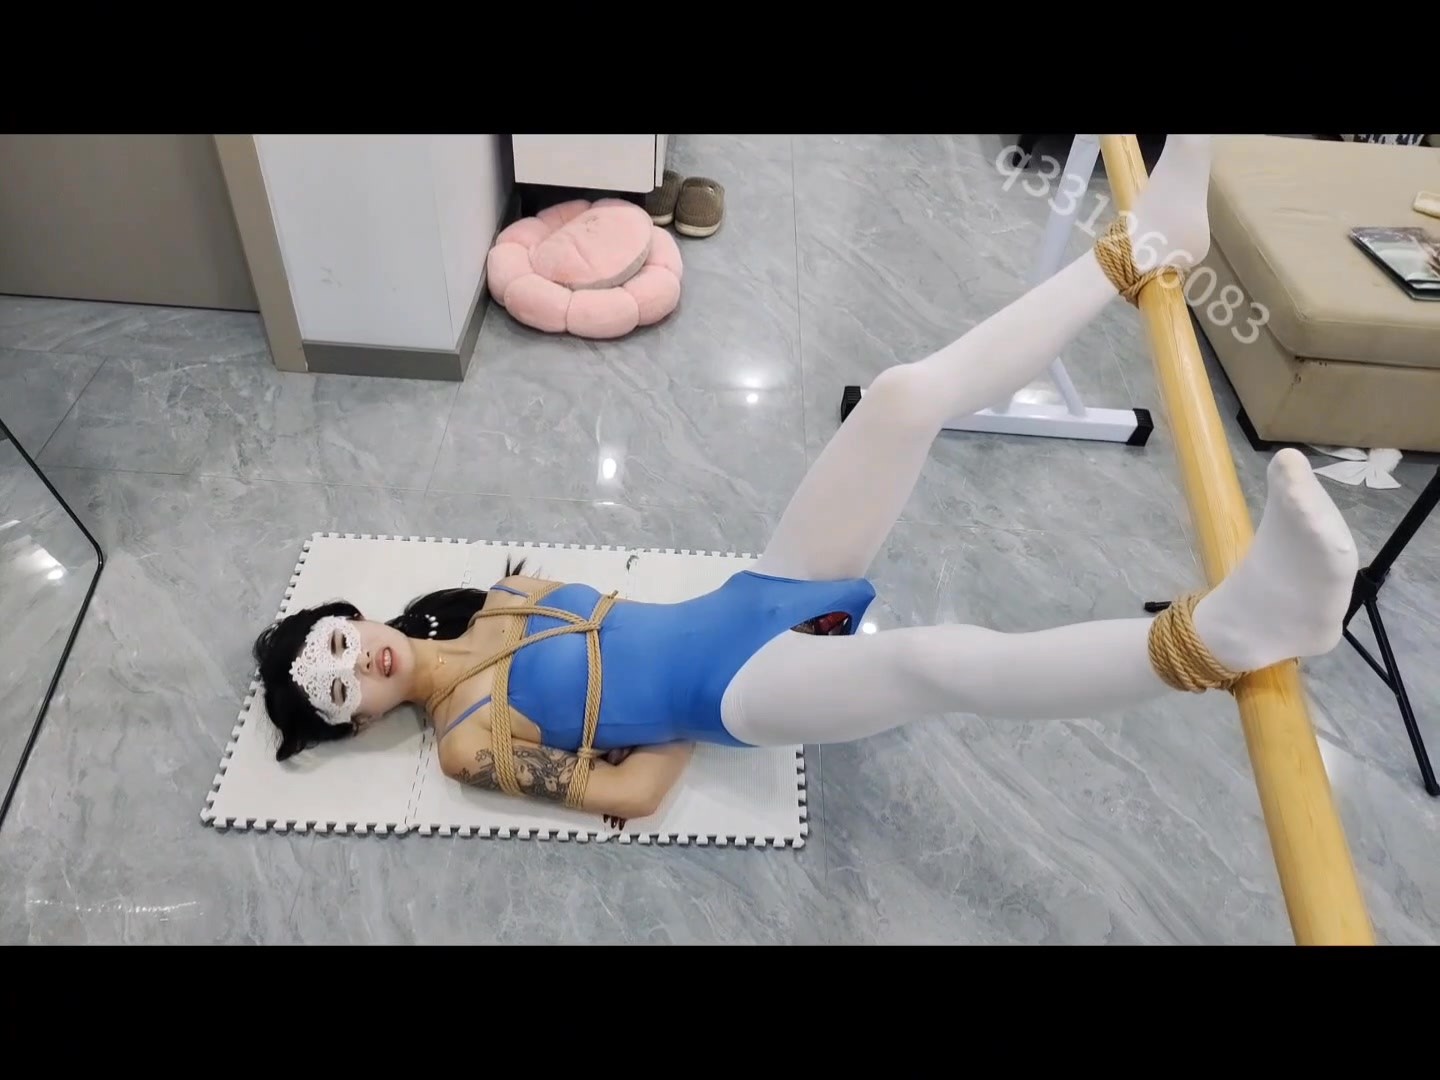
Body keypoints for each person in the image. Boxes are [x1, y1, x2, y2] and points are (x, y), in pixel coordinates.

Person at [253, 134, 1359, 825]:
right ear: (359, 724)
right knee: (934, 662)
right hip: (742, 694)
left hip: (751, 596)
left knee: (902, 398)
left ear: (352, 616)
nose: (360, 665)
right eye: (342, 692)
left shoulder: (500, 598)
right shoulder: (464, 743)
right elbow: (630, 791)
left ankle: (1146, 248)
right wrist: (672, 711)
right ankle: (1223, 636)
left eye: (337, 645)